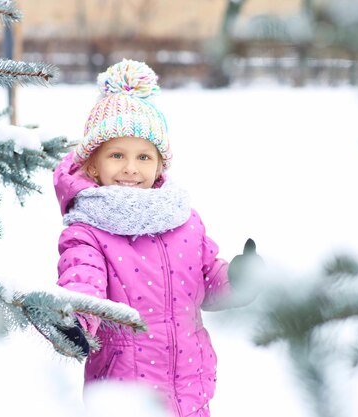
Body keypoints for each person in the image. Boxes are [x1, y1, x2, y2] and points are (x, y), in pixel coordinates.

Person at [53, 59, 258, 417]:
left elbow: (207, 280)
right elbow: (83, 282)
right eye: (116, 155)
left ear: (160, 165)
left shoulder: (184, 220)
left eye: (144, 157)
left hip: (191, 392)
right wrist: (75, 321)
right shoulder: (87, 230)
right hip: (125, 398)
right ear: (92, 165)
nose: (131, 168)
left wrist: (237, 279)